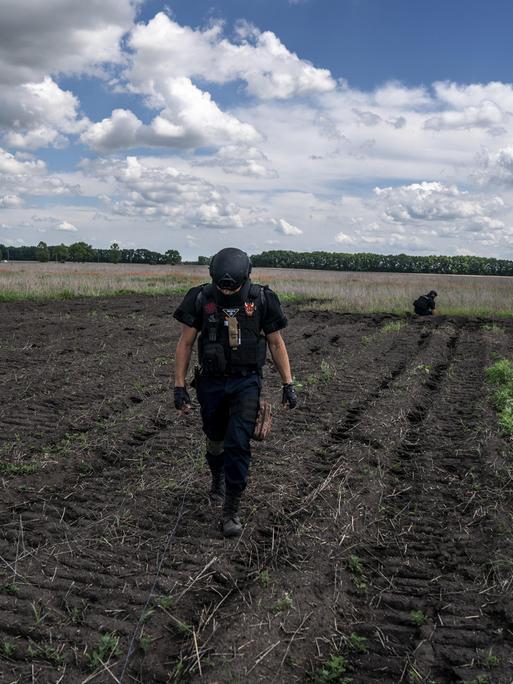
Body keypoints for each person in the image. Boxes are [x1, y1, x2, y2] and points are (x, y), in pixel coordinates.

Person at [173, 247, 297, 538]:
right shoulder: (201, 297)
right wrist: (179, 387)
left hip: (246, 383)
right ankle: (216, 477)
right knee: (215, 438)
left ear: (246, 277)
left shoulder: (263, 299)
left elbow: (276, 344)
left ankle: (231, 508)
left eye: (234, 286)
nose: (227, 291)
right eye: (222, 286)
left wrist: (288, 384)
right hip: (211, 384)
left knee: (238, 443)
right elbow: (186, 344)